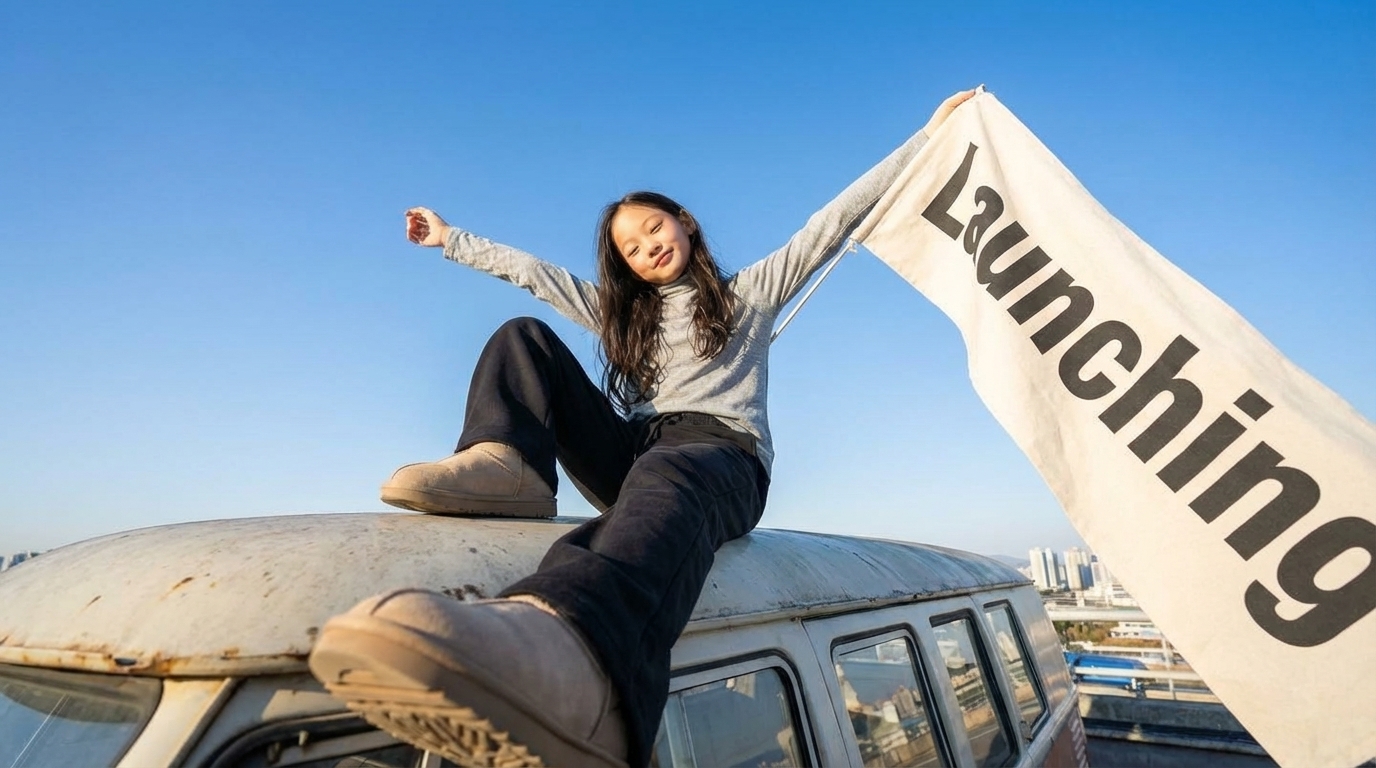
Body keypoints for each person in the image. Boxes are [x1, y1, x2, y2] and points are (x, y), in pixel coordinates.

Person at [308, 88, 977, 768]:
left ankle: (578, 647)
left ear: (685, 224)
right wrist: (452, 239)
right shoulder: (626, 320)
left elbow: (829, 223)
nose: (646, 247)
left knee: (669, 470)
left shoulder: (750, 294)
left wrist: (925, 138)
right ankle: (509, 464)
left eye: (653, 230)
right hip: (639, 457)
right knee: (524, 336)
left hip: (721, 458)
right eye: (630, 248)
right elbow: (535, 276)